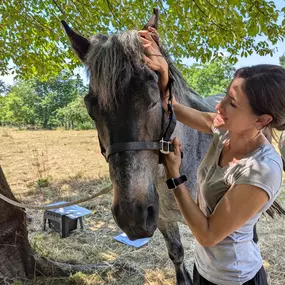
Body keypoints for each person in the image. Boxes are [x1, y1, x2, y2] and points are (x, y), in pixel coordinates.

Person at [139, 27, 285, 285]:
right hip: (204, 269)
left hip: (233, 279)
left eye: (233, 103)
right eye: (227, 95)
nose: (220, 105)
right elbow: (172, 107)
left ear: (262, 119)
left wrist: (174, 175)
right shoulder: (225, 132)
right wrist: (162, 67)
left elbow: (207, 235)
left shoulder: (262, 168)